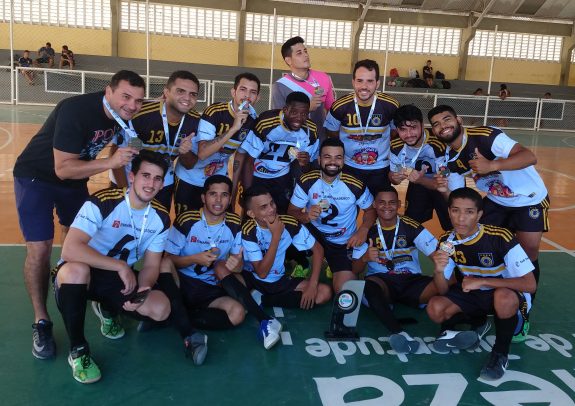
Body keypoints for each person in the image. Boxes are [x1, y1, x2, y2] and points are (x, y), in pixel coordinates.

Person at [13, 70, 145, 360]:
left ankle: (73, 285)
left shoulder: (124, 116)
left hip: (74, 181)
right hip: (37, 177)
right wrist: (110, 162)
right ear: (108, 91)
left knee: (84, 242)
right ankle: (41, 321)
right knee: (40, 249)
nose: (132, 105)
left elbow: (125, 147)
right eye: (126, 97)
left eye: (138, 100)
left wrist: (125, 189)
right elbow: (63, 168)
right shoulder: (76, 110)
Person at [54, 151, 208, 384]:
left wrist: (143, 288)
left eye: (157, 178)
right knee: (76, 271)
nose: (151, 184)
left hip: (117, 279)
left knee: (160, 308)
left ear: (162, 184)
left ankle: (107, 309)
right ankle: (78, 350)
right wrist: (119, 266)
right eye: (146, 176)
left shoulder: (160, 218)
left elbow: (152, 265)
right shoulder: (104, 201)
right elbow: (70, 249)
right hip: (81, 272)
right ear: (132, 176)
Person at [427, 104, 548, 341]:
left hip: (528, 198)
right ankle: (473, 299)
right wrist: (443, 190)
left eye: (447, 119)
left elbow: (529, 156)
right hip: (497, 200)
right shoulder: (450, 158)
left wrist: (492, 165)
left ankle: (524, 308)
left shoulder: (485, 136)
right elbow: (457, 199)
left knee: (529, 250)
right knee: (468, 237)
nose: (443, 126)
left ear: (459, 120)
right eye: (437, 124)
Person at [163, 175, 284, 349]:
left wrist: (237, 265)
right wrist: (194, 259)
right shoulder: (186, 220)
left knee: (237, 313)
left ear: (230, 199)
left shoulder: (234, 223)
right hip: (182, 283)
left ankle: (174, 317)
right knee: (170, 265)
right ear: (203, 197)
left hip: (209, 286)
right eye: (213, 194)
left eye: (224, 195)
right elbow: (167, 261)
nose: (218, 200)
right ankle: (264, 319)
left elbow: (237, 265)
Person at [427, 187, 536, 380]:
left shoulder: (500, 237)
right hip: (474, 293)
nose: (461, 218)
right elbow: (443, 290)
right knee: (435, 308)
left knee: (504, 297)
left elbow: (529, 284)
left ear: (479, 215)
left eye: (469, 212)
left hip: (504, 293)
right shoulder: (447, 241)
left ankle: (500, 354)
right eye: (455, 211)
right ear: (449, 212)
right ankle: (478, 322)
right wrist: (438, 271)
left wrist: (482, 281)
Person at [351, 186, 439, 354]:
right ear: (374, 205)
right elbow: (355, 268)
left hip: (411, 281)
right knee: (368, 287)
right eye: (382, 202)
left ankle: (451, 332)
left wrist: (440, 272)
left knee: (444, 283)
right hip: (382, 282)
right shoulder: (366, 231)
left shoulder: (411, 226)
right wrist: (365, 258)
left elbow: (437, 254)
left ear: (399, 204)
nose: (387, 207)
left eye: (392, 202)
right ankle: (398, 332)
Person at [287, 137, 376, 293]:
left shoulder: (355, 183)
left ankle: (333, 263)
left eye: (338, 157)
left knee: (344, 291)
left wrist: (363, 229)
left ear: (344, 161)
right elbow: (291, 212)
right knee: (284, 224)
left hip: (342, 242)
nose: (333, 162)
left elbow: (371, 210)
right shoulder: (307, 180)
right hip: (314, 236)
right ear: (319, 159)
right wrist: (306, 216)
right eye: (327, 157)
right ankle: (302, 262)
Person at [112, 70, 201, 212]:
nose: (187, 98)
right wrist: (124, 190)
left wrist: (185, 152)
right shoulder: (140, 114)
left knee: (158, 220)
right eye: (180, 91)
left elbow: (189, 164)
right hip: (128, 177)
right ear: (166, 92)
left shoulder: (196, 122)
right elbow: (115, 155)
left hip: (162, 181)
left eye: (193, 94)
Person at [241, 185, 332, 320]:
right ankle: (261, 297)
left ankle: (264, 299)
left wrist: (312, 285)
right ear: (251, 214)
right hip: (253, 280)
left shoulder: (289, 223)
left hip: (278, 280)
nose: (271, 209)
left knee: (324, 292)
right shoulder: (248, 230)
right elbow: (262, 273)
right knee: (231, 287)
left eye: (272, 203)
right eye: (264, 207)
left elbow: (318, 249)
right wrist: (276, 236)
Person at [174, 73, 260, 214]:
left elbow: (239, 157)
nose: (247, 96)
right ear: (233, 92)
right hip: (190, 177)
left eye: (253, 92)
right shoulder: (215, 112)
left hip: (217, 181)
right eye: (243, 89)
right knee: (186, 222)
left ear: (257, 98)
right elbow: (202, 153)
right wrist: (234, 128)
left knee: (217, 222)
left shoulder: (253, 120)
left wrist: (232, 191)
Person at [324, 59, 399, 195]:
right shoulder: (339, 106)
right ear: (353, 82)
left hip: (380, 168)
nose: (364, 86)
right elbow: (332, 133)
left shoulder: (391, 105)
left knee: (379, 205)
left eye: (370, 81)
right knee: (348, 205)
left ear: (377, 83)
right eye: (359, 81)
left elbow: (396, 132)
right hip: (349, 167)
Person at [240, 91, 319, 214]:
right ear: (285, 109)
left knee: (283, 215)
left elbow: (307, 169)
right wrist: (248, 195)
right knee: (253, 214)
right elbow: (248, 161)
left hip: (283, 177)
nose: (299, 118)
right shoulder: (266, 122)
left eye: (304, 114)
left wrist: (305, 163)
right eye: (294, 112)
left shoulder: (311, 130)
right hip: (257, 176)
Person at [389, 105, 451, 231]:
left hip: (444, 183)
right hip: (418, 184)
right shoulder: (395, 146)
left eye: (413, 127)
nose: (409, 134)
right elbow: (394, 175)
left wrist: (425, 179)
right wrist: (395, 177)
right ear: (397, 129)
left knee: (452, 221)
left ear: (422, 125)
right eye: (403, 129)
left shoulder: (438, 142)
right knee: (411, 223)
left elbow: (446, 173)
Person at [272, 36, 335, 141]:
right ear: (288, 60)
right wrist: (307, 108)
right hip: (292, 143)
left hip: (319, 141)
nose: (305, 55)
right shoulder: (280, 86)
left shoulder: (323, 77)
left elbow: (332, 110)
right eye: (299, 53)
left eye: (305, 51)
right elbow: (278, 119)